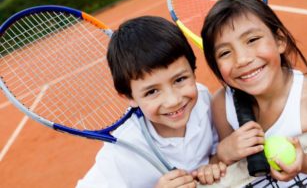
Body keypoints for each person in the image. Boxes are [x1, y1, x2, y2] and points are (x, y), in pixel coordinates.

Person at [76, 16, 226, 188]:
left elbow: (216, 151)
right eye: (152, 91)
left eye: (179, 80)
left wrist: (214, 162)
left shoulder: (203, 98)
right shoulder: (123, 147)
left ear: (193, 70)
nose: (173, 100)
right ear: (129, 97)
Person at [201, 0, 307, 187]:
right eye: (225, 52)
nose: (242, 59)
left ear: (280, 41)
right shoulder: (222, 105)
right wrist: (222, 155)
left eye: (252, 40)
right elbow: (222, 170)